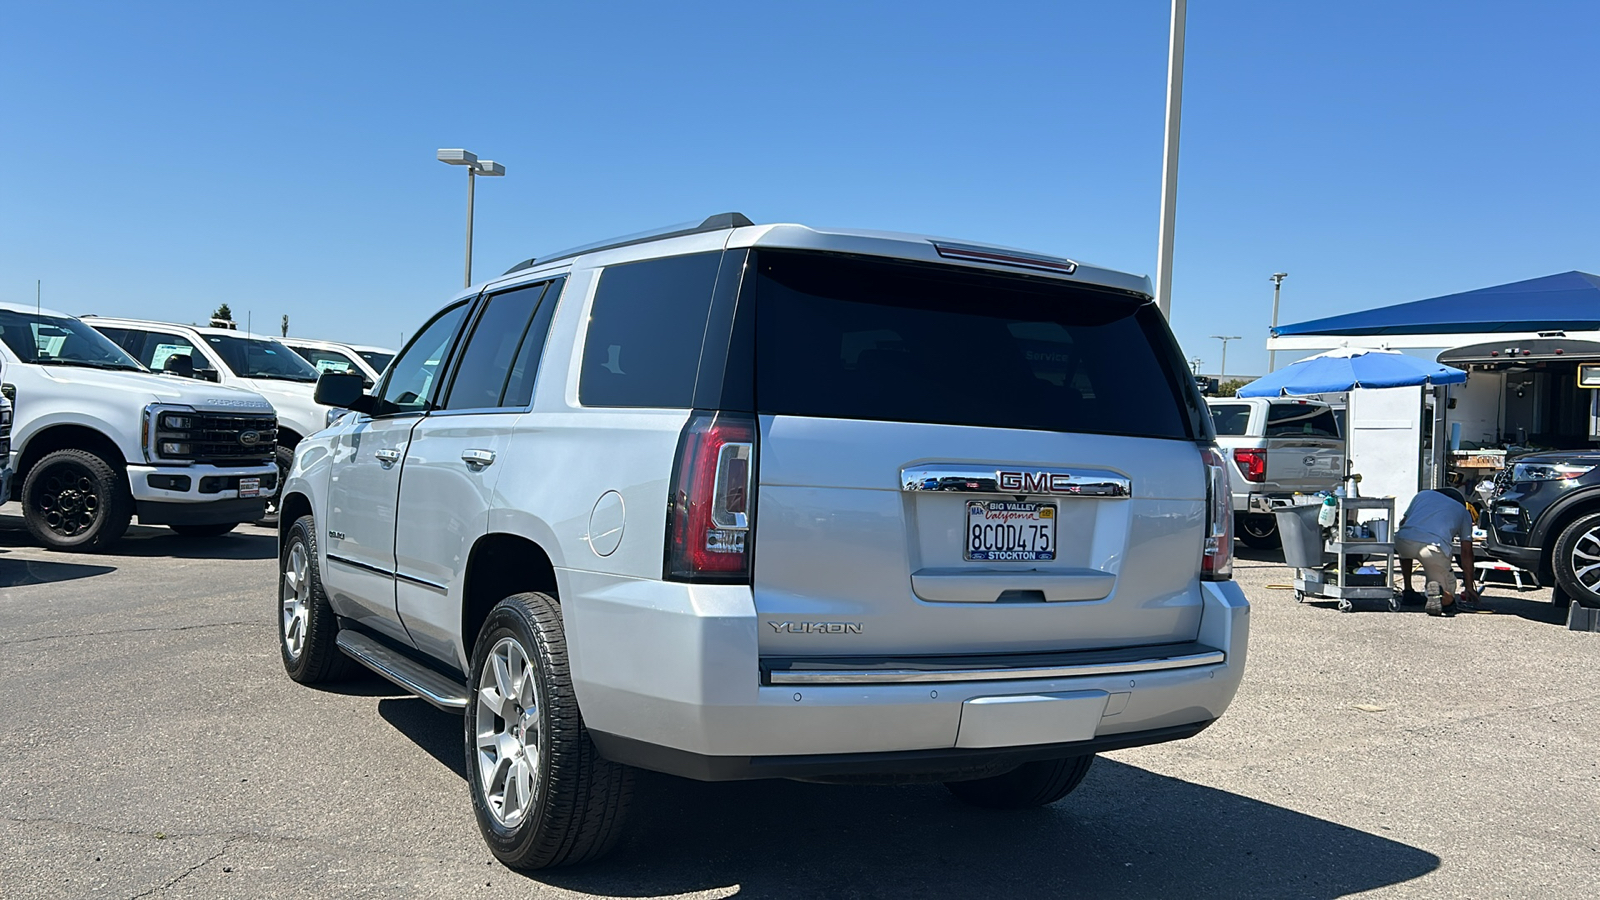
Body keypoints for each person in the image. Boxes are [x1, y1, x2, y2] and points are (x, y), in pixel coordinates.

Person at [1395, 487, 1479, 617]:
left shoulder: (1422, 495)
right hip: (1433, 548)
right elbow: (1466, 552)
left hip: (1403, 542)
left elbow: (1403, 523)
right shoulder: (1463, 511)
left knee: (1407, 543)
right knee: (1447, 597)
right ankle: (1441, 595)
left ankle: (1408, 590)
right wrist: (1469, 586)